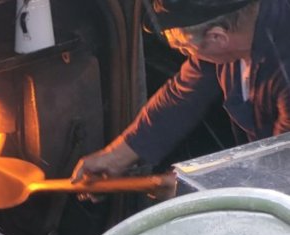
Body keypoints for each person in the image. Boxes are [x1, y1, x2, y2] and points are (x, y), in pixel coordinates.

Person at [73, 0, 290, 180]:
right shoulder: (233, 33)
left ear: (217, 37)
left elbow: (281, 168)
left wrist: (198, 187)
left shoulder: (284, 65)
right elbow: (181, 95)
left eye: (185, 48)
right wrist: (114, 156)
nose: (187, 55)